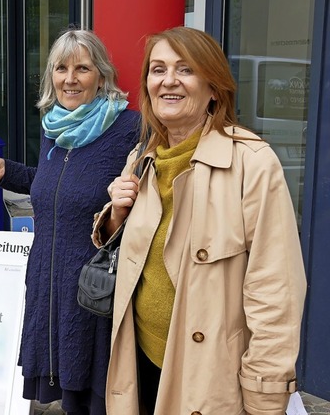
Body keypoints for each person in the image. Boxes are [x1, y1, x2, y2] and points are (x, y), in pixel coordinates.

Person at [91, 26, 307, 414]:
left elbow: (276, 293)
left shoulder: (252, 163)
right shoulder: (143, 157)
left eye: (185, 69)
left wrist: (265, 396)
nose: (168, 81)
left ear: (213, 87)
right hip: (140, 361)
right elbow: (135, 256)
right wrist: (116, 216)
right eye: (158, 69)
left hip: (208, 376)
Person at [0, 29, 139, 414]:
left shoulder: (128, 129)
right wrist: (5, 171)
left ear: (102, 75)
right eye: (61, 68)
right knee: (69, 396)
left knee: (98, 395)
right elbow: (53, 189)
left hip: (95, 287)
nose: (70, 78)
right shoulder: (54, 129)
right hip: (50, 279)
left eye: (82, 68)